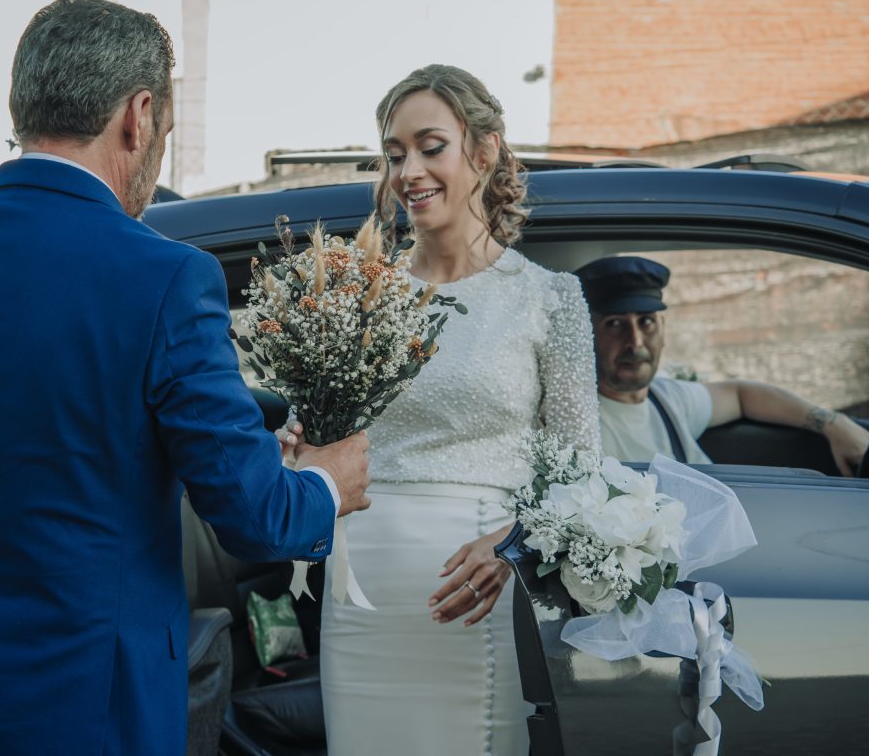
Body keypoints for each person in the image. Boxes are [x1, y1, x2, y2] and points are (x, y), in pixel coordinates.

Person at [0, 0, 371, 755]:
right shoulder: (166, 279)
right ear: (139, 114)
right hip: (86, 712)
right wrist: (327, 481)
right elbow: (255, 516)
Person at [280, 64, 600, 755]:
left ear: (483, 151)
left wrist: (516, 547)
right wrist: (301, 455)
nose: (409, 171)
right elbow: (324, 445)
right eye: (394, 154)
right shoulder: (360, 297)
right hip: (364, 592)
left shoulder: (550, 300)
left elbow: (581, 475)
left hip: (483, 594)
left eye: (430, 147)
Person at [575, 255, 869, 475]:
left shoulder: (668, 399)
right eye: (615, 324)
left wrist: (834, 424)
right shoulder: (577, 420)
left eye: (646, 322)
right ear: (587, 332)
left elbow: (742, 395)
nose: (635, 342)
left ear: (663, 330)